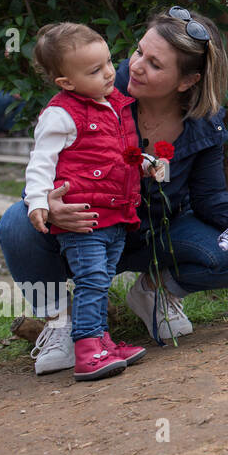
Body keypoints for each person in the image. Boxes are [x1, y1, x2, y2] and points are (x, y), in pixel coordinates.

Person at [0, 7, 228, 375]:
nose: (134, 66)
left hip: (155, 234)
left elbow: (209, 199)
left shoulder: (203, 122)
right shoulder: (96, 88)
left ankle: (153, 291)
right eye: (138, 52)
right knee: (16, 224)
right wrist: (48, 205)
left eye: (155, 64)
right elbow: (45, 161)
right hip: (86, 230)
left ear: (186, 82)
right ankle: (61, 323)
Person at [24, 22, 155, 380]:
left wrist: (143, 163)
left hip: (115, 215)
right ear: (66, 83)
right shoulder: (61, 113)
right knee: (93, 279)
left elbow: (119, 152)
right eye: (95, 70)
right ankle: (86, 349)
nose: (110, 72)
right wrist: (38, 201)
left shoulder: (114, 103)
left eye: (109, 62)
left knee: (101, 280)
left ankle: (102, 342)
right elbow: (41, 161)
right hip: (82, 218)